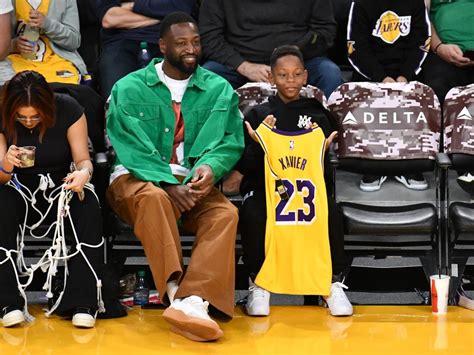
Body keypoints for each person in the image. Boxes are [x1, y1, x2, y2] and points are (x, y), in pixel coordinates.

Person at [106, 12, 244, 342]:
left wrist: (210, 168)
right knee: (154, 198)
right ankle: (174, 292)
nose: (190, 49)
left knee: (225, 213)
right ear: (163, 45)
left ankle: (193, 299)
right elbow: (128, 146)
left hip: (191, 185)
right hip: (136, 180)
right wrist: (167, 183)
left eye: (195, 42)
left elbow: (230, 139)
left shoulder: (218, 89)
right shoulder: (129, 87)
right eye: (181, 43)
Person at [238, 45, 353, 318]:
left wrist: (321, 149)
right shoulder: (257, 115)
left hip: (305, 189)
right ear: (272, 78)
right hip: (265, 188)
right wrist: (258, 143)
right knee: (254, 212)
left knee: (332, 213)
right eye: (282, 75)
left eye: (296, 74)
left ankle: (330, 282)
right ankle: (259, 283)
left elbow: (324, 168)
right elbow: (245, 166)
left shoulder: (318, 114)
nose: (289, 81)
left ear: (305, 77)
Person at [0, 70, 104, 329]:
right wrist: (6, 165)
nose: (29, 122)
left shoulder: (68, 108)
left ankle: (83, 302)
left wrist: (83, 174)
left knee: (87, 203)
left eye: (36, 116)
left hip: (61, 183)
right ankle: (8, 302)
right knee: (0, 203)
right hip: (17, 185)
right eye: (21, 117)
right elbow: (0, 177)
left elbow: (83, 160)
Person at [346, 0, 431, 192]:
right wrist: (381, 78)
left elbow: (421, 42)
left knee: (420, 96)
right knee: (372, 102)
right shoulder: (360, 4)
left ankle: (410, 166)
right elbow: (355, 47)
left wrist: (404, 76)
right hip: (371, 73)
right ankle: (374, 166)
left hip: (407, 73)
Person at [198, 0, 342, 99]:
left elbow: (325, 30)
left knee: (329, 73)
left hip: (298, 59)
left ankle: (329, 137)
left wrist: (292, 55)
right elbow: (209, 36)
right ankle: (211, 140)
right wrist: (244, 66)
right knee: (207, 77)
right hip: (239, 64)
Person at [422, 0, 474, 192]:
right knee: (436, 87)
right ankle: (463, 164)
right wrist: (438, 47)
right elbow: (421, 15)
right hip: (442, 54)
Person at [97, 0, 196, 99]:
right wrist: (163, 17)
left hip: (167, 40)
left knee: (176, 98)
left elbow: (181, 8)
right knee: (116, 97)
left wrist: (133, 5)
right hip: (120, 42)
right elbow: (110, 18)